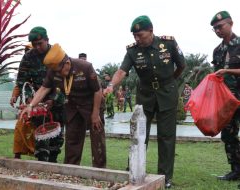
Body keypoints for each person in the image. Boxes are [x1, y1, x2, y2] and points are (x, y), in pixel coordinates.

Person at [104, 15, 185, 188]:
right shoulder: (132, 51)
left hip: (167, 95)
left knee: (166, 137)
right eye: (135, 35)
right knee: (139, 135)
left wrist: (169, 82)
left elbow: (181, 65)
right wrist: (111, 85)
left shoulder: (168, 44)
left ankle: (165, 177)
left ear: (151, 31)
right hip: (145, 95)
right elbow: (122, 71)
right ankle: (133, 170)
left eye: (140, 35)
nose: (137, 38)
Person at [21, 44, 106, 168]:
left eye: (59, 70)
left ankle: (100, 170)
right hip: (72, 106)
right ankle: (71, 169)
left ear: (66, 63)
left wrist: (95, 113)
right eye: (55, 71)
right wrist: (31, 105)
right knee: (72, 139)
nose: (58, 74)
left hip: (91, 104)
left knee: (97, 137)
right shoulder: (53, 70)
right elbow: (44, 88)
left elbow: (97, 91)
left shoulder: (85, 67)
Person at [14, 26, 65, 162]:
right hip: (38, 102)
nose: (37, 47)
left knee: (56, 139)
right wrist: (31, 98)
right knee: (40, 138)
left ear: (47, 40)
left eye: (40, 44)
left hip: (57, 102)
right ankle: (42, 163)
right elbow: (22, 81)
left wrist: (53, 100)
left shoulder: (57, 54)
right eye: (34, 44)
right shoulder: (28, 57)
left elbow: (64, 81)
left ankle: (53, 163)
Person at [211, 11, 240, 181]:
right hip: (227, 101)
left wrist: (228, 70)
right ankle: (236, 170)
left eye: (220, 27)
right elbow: (216, 76)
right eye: (214, 29)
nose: (217, 31)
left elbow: (226, 72)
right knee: (228, 136)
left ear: (231, 23)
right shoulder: (218, 51)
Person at [11, 43, 35, 159]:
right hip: (24, 106)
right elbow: (19, 84)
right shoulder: (24, 66)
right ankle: (17, 155)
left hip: (39, 105)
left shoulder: (44, 65)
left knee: (38, 130)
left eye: (29, 50)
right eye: (26, 50)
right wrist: (14, 96)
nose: (27, 52)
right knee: (20, 129)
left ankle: (41, 157)